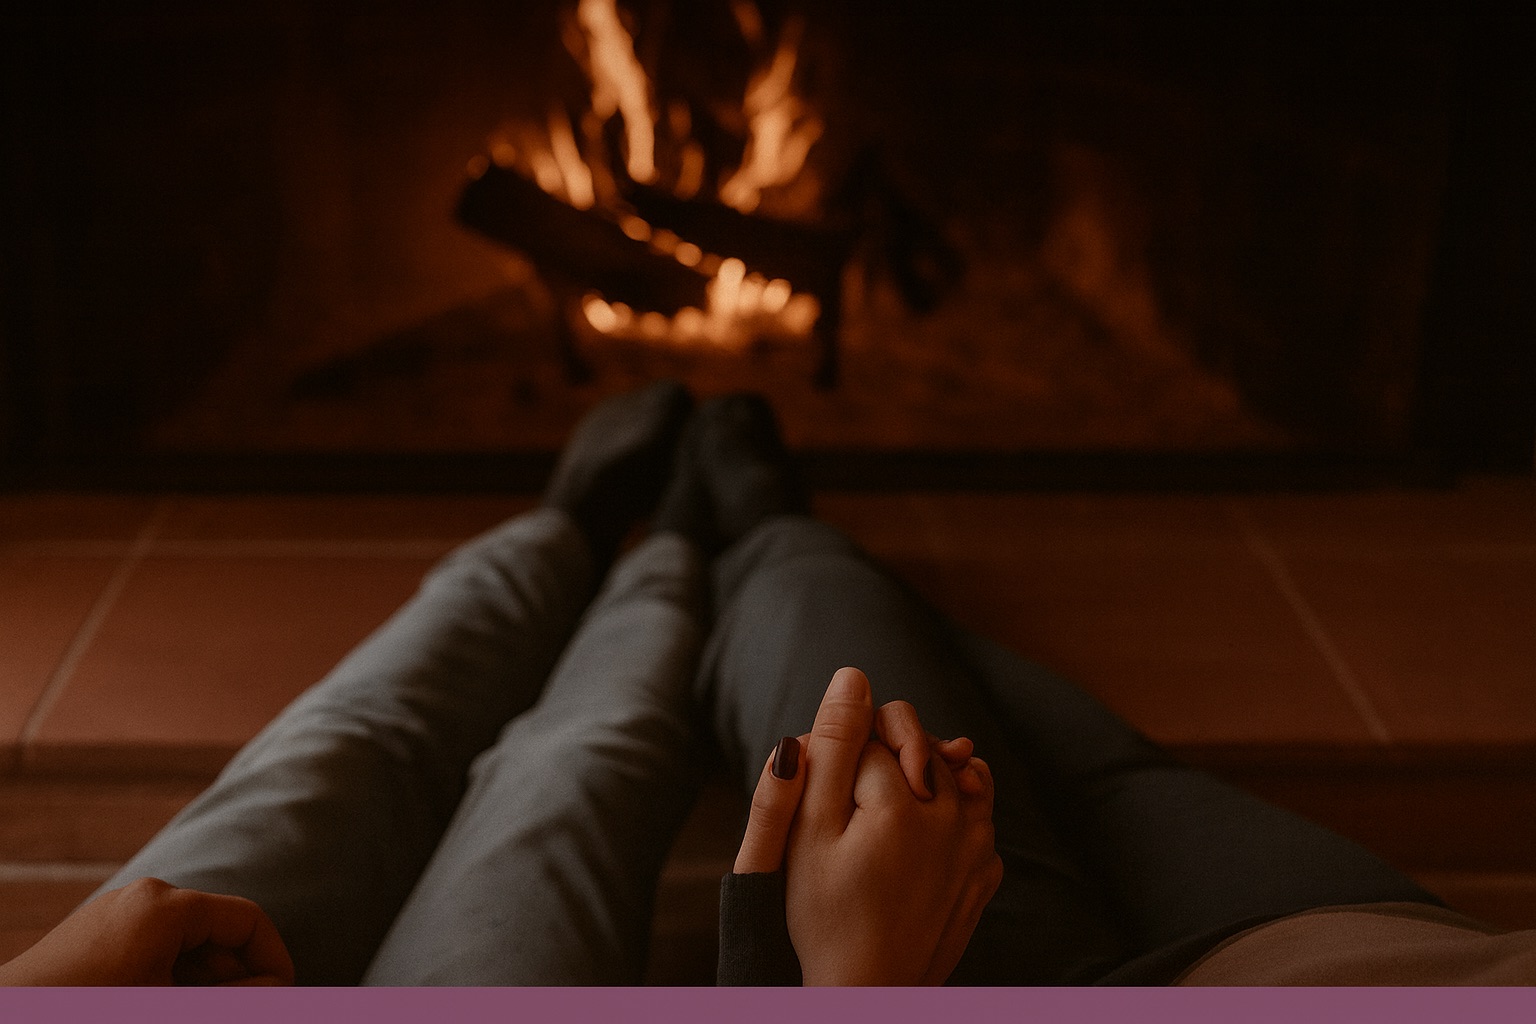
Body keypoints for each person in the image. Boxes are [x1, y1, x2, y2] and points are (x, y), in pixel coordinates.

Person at [2, 382, 1532, 986]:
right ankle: (726, 537)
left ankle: (618, 535)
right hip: (1387, 962)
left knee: (398, 739)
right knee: (1081, 756)